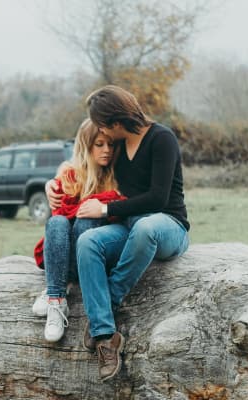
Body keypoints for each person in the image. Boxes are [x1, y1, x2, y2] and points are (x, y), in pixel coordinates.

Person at [46, 85, 190, 381]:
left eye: (101, 124)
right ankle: (106, 337)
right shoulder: (119, 146)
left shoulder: (162, 139)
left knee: (145, 227)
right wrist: (53, 182)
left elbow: (158, 198)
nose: (101, 132)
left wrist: (105, 211)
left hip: (167, 226)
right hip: (128, 226)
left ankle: (105, 306)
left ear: (115, 121)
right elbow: (82, 163)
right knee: (88, 241)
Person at [32, 118, 125, 342]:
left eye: (111, 145)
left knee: (85, 220)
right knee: (57, 222)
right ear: (86, 145)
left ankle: (56, 288)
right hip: (63, 255)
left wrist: (98, 206)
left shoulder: (117, 176)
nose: (107, 151)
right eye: (99, 144)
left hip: (92, 260)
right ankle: (56, 300)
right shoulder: (70, 174)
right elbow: (60, 214)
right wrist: (51, 185)